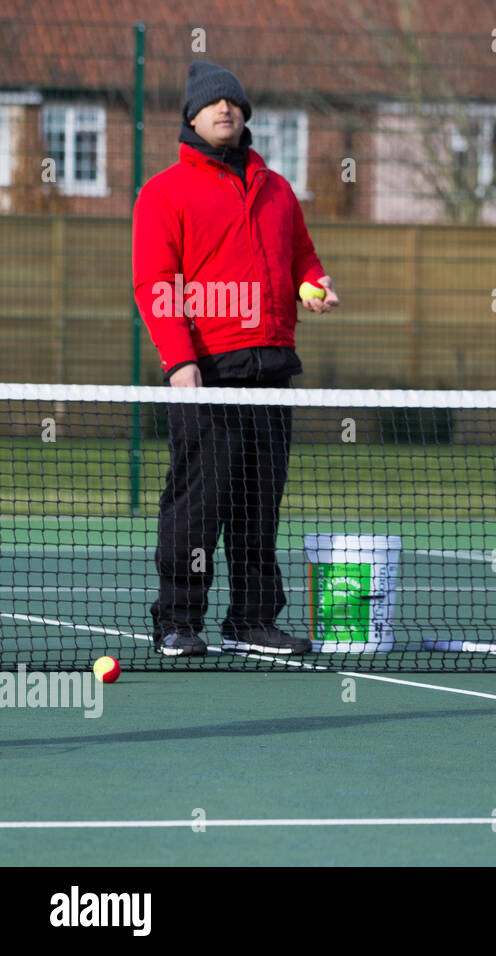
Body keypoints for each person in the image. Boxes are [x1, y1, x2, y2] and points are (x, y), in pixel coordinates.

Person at [132, 61, 340, 657]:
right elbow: (154, 284)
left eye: (235, 101)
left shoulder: (276, 189)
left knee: (258, 505)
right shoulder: (164, 192)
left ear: (246, 114)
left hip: (272, 370)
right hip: (208, 372)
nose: (226, 109)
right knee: (198, 505)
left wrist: (316, 283)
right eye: (213, 103)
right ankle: (177, 621)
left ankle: (252, 621)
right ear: (191, 117)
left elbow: (302, 257)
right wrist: (180, 361)